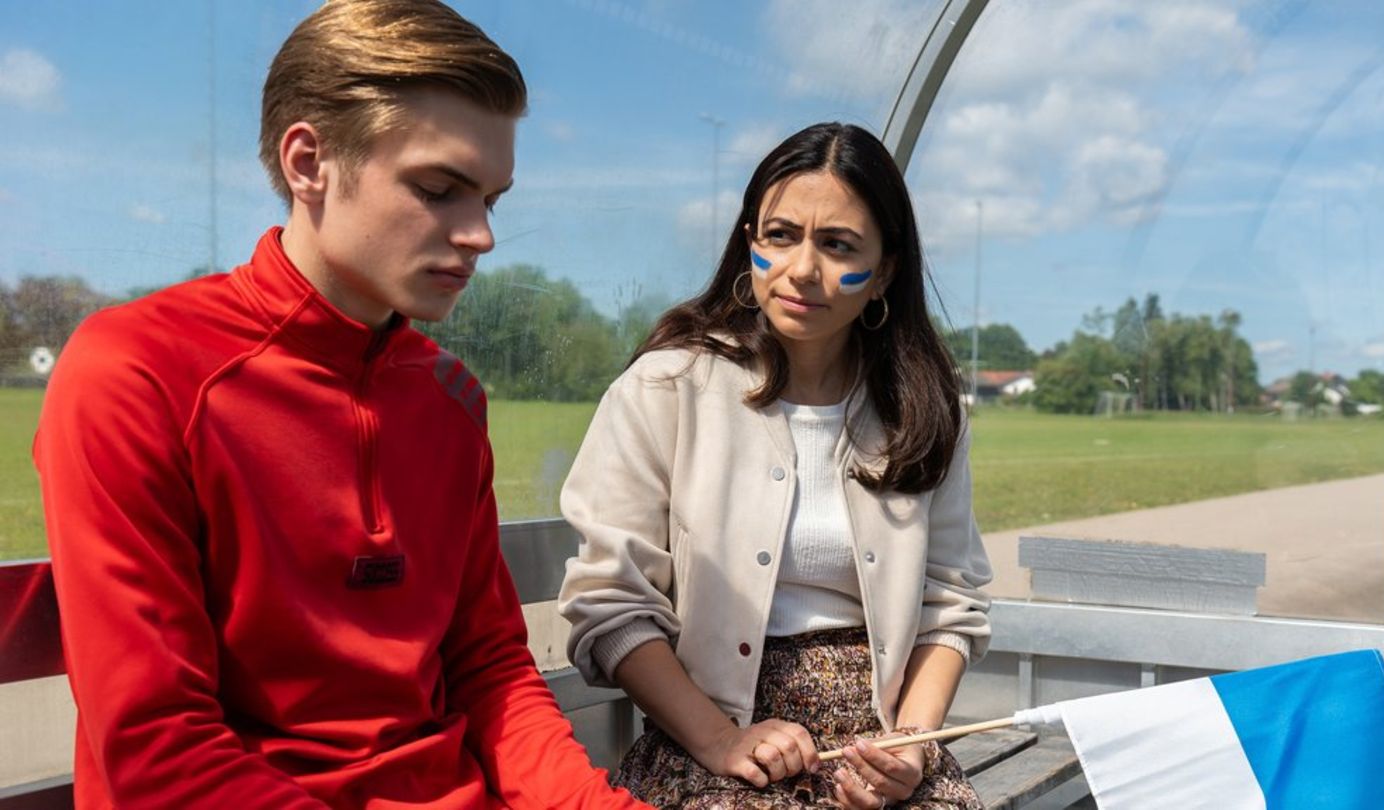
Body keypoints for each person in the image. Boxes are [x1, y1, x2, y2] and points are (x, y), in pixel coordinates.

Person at [32, 1, 646, 807]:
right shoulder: (138, 373)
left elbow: (489, 672)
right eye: (440, 189)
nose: (481, 235)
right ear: (307, 161)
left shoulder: (450, 400)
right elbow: (158, 751)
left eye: (491, 199)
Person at [558, 122, 994, 808]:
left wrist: (911, 744)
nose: (801, 269)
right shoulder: (665, 390)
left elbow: (950, 603)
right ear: (749, 240)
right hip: (707, 734)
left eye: (838, 245)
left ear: (884, 271)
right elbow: (611, 605)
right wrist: (718, 740)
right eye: (781, 235)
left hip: (879, 742)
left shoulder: (924, 411)